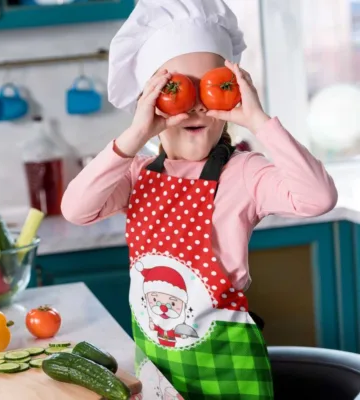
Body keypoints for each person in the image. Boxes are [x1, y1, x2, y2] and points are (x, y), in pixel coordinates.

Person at [61, 0, 338, 398]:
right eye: (176, 88)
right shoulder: (137, 173)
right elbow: (76, 209)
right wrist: (134, 135)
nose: (193, 105)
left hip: (228, 370)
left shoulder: (243, 173)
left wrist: (258, 119)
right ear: (150, 99)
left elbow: (318, 197)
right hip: (158, 365)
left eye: (212, 87)